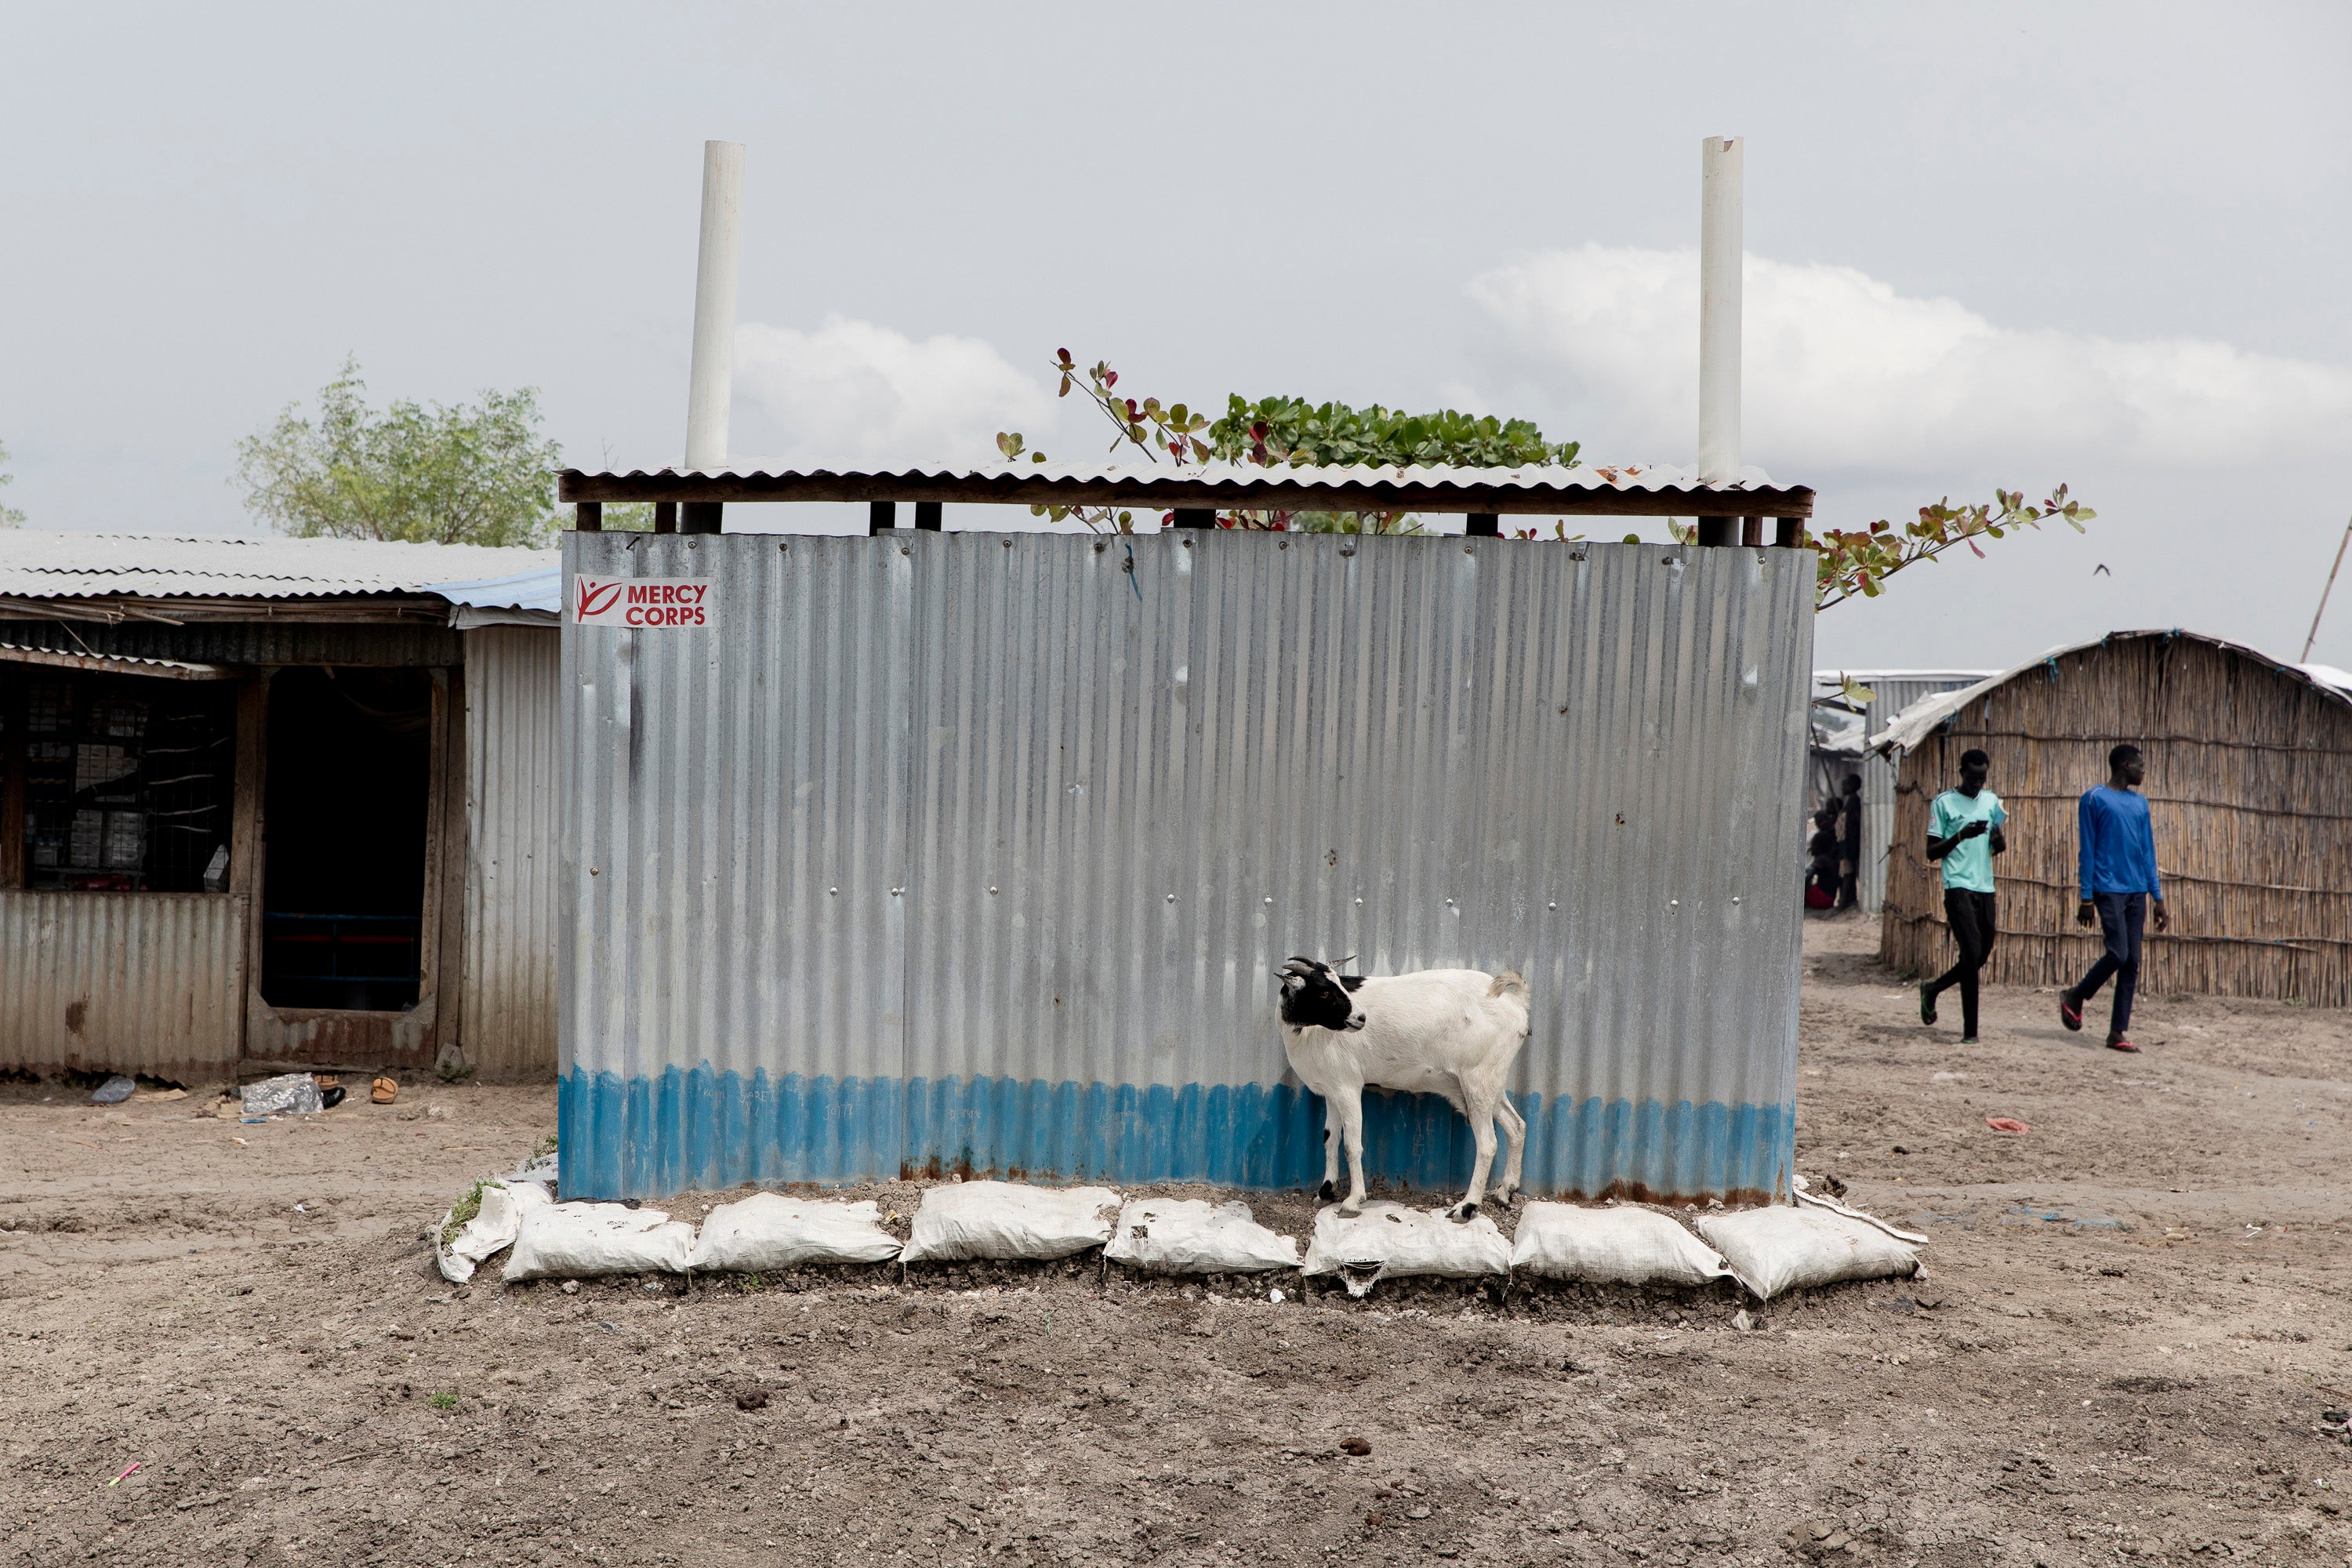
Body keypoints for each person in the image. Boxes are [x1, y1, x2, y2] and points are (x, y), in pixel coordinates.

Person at [2060, 743, 2170, 1052]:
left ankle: (2117, 1032)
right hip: (2107, 889)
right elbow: (2088, 849)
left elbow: (2147, 851)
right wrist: (2086, 898)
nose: (2143, 771)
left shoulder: (2140, 804)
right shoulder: (2094, 798)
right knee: (2118, 954)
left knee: (2132, 962)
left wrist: (2157, 897)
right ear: (2124, 765)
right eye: (2140, 766)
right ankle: (2076, 995)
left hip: (2137, 892)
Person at [1918, 748, 2005, 1043]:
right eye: (1972, 778)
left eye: (1982, 778)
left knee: (1980, 954)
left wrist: (1999, 840)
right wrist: (1959, 836)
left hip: (1985, 886)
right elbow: (1931, 852)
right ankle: (1971, 1033)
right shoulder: (1943, 803)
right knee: (1970, 953)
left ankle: (1933, 989)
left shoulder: (1992, 802)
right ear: (1960, 771)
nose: (1977, 783)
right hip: (1957, 885)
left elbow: (1998, 847)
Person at [1835, 774, 1864, 911]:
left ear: (1851, 786)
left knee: (1847, 872)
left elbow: (1854, 823)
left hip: (1848, 844)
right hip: (1845, 844)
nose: (1842, 787)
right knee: (1848, 872)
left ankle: (1844, 902)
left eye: (1845, 784)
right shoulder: (1850, 802)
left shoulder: (1854, 802)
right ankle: (1849, 898)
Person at [1805, 806, 1842, 909]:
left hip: (1823, 900)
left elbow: (1809, 878)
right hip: (1830, 899)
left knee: (1802, 886)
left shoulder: (1821, 860)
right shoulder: (1829, 859)